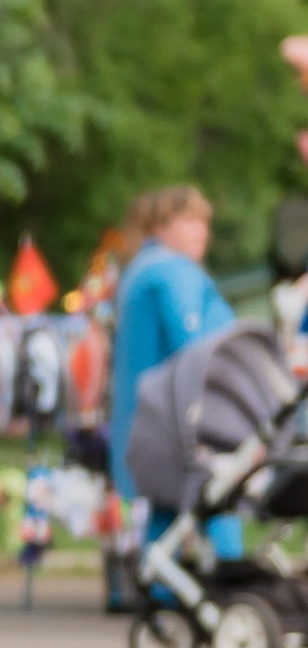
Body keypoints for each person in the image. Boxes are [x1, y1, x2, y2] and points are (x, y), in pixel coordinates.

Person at [108, 186, 234, 504]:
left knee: (162, 537)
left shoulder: (139, 269)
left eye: (204, 222)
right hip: (179, 434)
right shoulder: (172, 272)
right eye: (189, 221)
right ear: (160, 227)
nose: (201, 232)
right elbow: (197, 349)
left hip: (142, 434)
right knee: (218, 532)